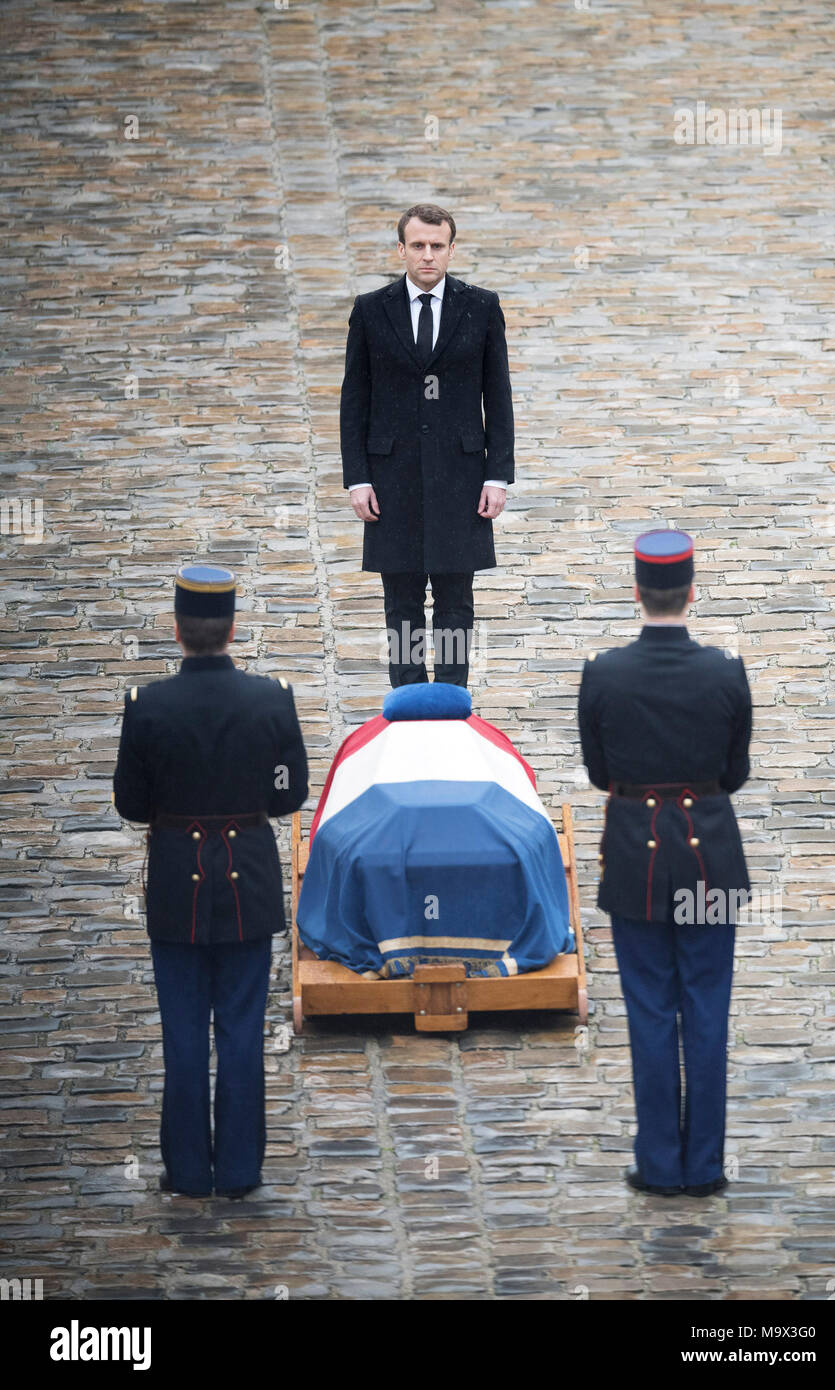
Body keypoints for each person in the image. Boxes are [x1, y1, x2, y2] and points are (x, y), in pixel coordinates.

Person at [112, 565, 308, 1198]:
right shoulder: (271, 698)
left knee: (184, 1033)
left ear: (177, 630)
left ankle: (190, 1171)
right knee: (244, 1031)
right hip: (246, 878)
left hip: (176, 884)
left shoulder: (147, 706)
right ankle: (242, 1172)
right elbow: (288, 794)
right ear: (232, 628)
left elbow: (132, 804)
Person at [578, 530, 752, 1198]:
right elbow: (733, 773)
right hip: (711, 857)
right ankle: (703, 1165)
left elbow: (599, 772)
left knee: (651, 1013)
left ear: (636, 592)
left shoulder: (605, 672)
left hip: (635, 860)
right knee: (706, 1012)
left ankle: (659, 1163)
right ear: (691, 592)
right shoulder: (725, 671)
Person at [340, 203, 514, 688]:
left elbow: (497, 394)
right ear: (401, 249)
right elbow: (354, 398)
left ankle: (454, 699)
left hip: (460, 479)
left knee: (457, 601)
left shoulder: (481, 307)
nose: (428, 256)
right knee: (401, 603)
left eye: (437, 246)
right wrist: (358, 478)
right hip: (391, 480)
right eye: (418, 245)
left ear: (452, 249)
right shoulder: (371, 311)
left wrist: (496, 475)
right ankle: (410, 697)